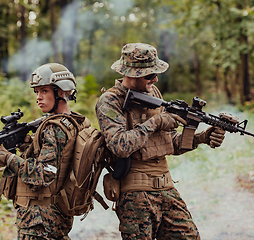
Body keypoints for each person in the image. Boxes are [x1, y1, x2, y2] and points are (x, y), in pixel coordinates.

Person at [95, 43, 226, 240]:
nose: (155, 79)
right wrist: (155, 122)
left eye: (155, 73)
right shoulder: (110, 101)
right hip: (136, 195)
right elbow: (119, 146)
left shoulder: (154, 93)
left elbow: (169, 143)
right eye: (149, 75)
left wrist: (202, 138)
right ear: (131, 73)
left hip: (166, 187)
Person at [0, 63, 89, 239]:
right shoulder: (76, 121)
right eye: (37, 92)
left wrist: (7, 158)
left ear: (61, 92)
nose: (38, 97)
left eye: (44, 91)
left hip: (38, 221)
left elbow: (43, 174)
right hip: (57, 215)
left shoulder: (54, 128)